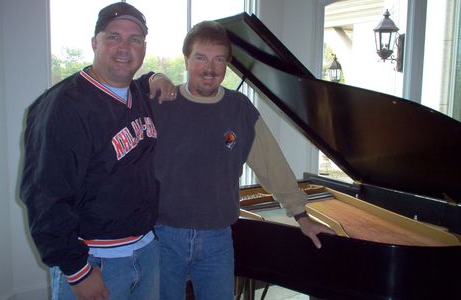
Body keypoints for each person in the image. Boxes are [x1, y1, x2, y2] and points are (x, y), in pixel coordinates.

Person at [151, 20, 336, 300]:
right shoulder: (162, 104)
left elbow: (272, 165)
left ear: (227, 64)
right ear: (186, 59)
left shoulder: (240, 110)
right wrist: (152, 76)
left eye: (219, 60)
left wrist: (301, 215)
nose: (209, 69)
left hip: (217, 239)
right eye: (200, 57)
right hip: (163, 236)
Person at [19, 2, 176, 300]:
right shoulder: (61, 107)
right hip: (95, 262)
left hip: (146, 251)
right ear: (95, 42)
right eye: (113, 37)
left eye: (135, 40)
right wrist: (77, 270)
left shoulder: (139, 92)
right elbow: (43, 197)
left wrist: (156, 76)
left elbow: (142, 81)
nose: (124, 48)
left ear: (144, 47)